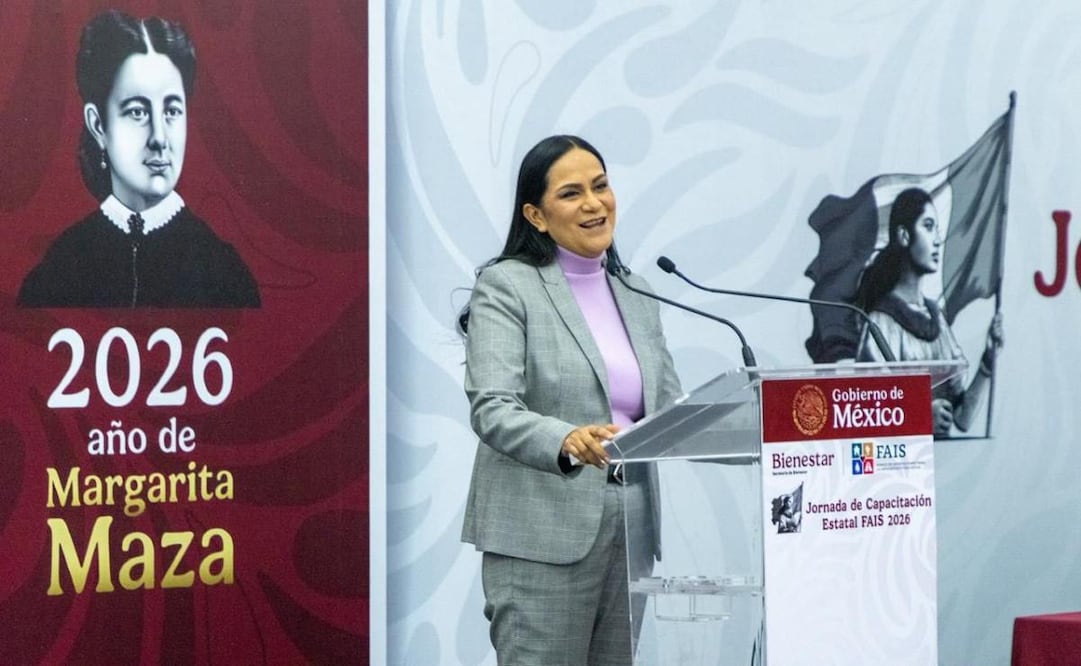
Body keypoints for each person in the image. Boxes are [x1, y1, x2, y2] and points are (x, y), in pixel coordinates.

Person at [459, 135, 683, 664]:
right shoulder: (506, 286)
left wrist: (743, 422)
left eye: (601, 186)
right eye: (572, 193)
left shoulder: (638, 290)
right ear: (536, 215)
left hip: (630, 524)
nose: (593, 203)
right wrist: (566, 439)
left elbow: (670, 408)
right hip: (542, 530)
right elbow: (492, 406)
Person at [18, 10, 260, 308]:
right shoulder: (60, 268)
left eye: (171, 111)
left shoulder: (222, 271)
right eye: (138, 112)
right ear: (98, 125)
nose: (159, 138)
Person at [856, 187, 1004, 435]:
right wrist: (921, 416)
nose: (937, 239)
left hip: (942, 467)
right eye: (927, 226)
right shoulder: (881, 322)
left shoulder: (937, 321)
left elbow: (963, 419)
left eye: (936, 228)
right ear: (904, 235)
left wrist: (987, 361)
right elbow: (866, 412)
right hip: (898, 467)